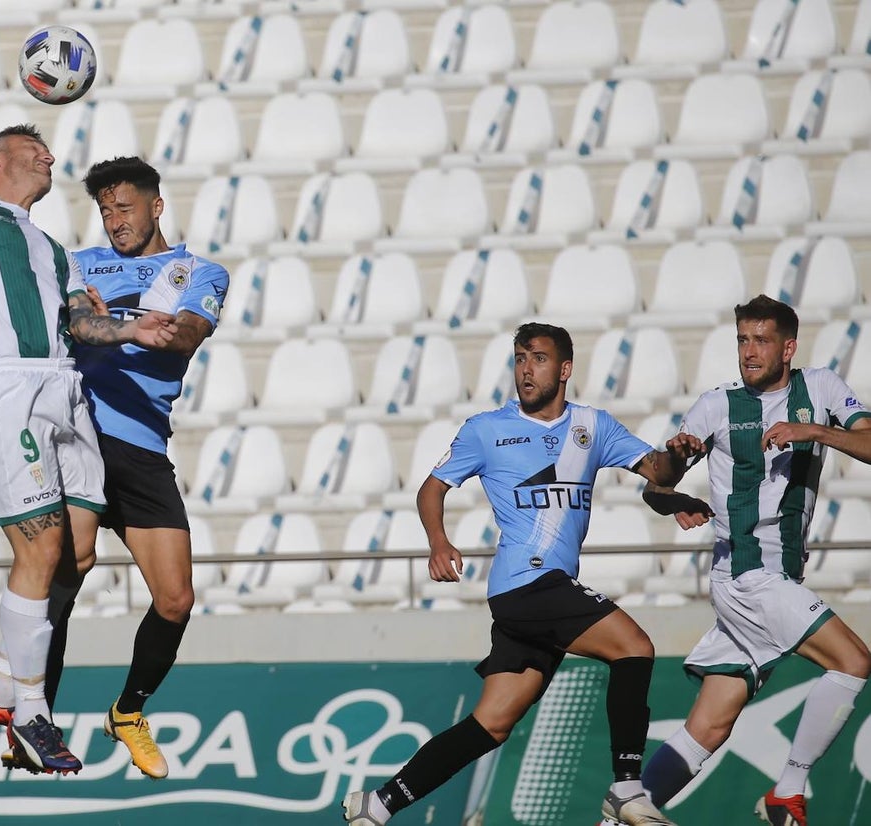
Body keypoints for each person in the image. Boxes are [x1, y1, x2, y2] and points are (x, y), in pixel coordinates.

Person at [342, 322, 706, 826]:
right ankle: (626, 788)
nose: (525, 369)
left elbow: (657, 473)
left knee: (491, 724)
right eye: (518, 358)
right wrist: (439, 541)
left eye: (537, 358)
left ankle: (378, 804)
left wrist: (680, 458)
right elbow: (431, 489)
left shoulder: (593, 427)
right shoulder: (486, 429)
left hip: (539, 597)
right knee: (635, 647)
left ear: (564, 369)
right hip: (526, 584)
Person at [0, 125, 177, 775]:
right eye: (33, 148)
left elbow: (83, 324)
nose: (48, 155)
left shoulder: (58, 251)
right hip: (9, 390)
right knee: (42, 548)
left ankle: (0, 686)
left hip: (67, 392)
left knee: (77, 553)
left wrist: (139, 325)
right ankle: (29, 715)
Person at [639, 295, 871, 826]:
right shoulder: (716, 404)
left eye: (760, 340)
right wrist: (672, 474)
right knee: (853, 661)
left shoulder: (822, 390)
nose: (748, 351)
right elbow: (658, 483)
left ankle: (627, 807)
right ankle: (788, 791)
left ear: (788, 347)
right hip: (746, 575)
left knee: (711, 725)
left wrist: (814, 431)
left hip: (778, 577)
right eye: (742, 339)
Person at [71, 156, 229, 779]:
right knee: (67, 569)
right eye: (106, 210)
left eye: (125, 208)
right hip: (79, 436)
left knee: (175, 599)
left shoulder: (198, 271)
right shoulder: (81, 264)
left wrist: (122, 325)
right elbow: (74, 326)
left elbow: (186, 334)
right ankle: (31, 709)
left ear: (156, 206)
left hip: (141, 448)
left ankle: (128, 711)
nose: (114, 221)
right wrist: (127, 327)